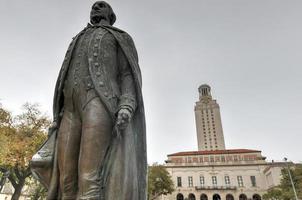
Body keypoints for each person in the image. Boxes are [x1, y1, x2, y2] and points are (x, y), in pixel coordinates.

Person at [31, 1, 146, 199]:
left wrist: (126, 105)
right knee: (65, 179)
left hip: (99, 102)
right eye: (94, 5)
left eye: (102, 5)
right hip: (69, 109)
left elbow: (127, 74)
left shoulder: (120, 37)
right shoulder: (77, 38)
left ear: (111, 14)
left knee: (88, 177)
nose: (96, 6)